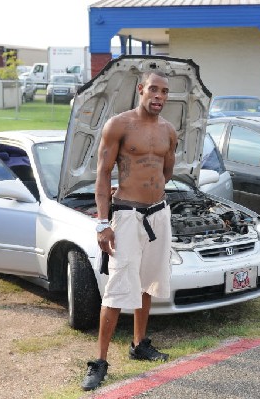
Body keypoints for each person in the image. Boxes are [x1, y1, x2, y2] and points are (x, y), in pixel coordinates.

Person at [81, 70, 178, 391]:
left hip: (159, 213)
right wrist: (102, 222)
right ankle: (100, 362)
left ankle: (139, 344)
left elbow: (166, 171)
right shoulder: (119, 125)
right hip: (127, 215)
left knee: (148, 281)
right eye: (154, 89)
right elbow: (102, 173)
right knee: (118, 287)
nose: (159, 96)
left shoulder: (169, 131)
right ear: (141, 89)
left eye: (164, 91)